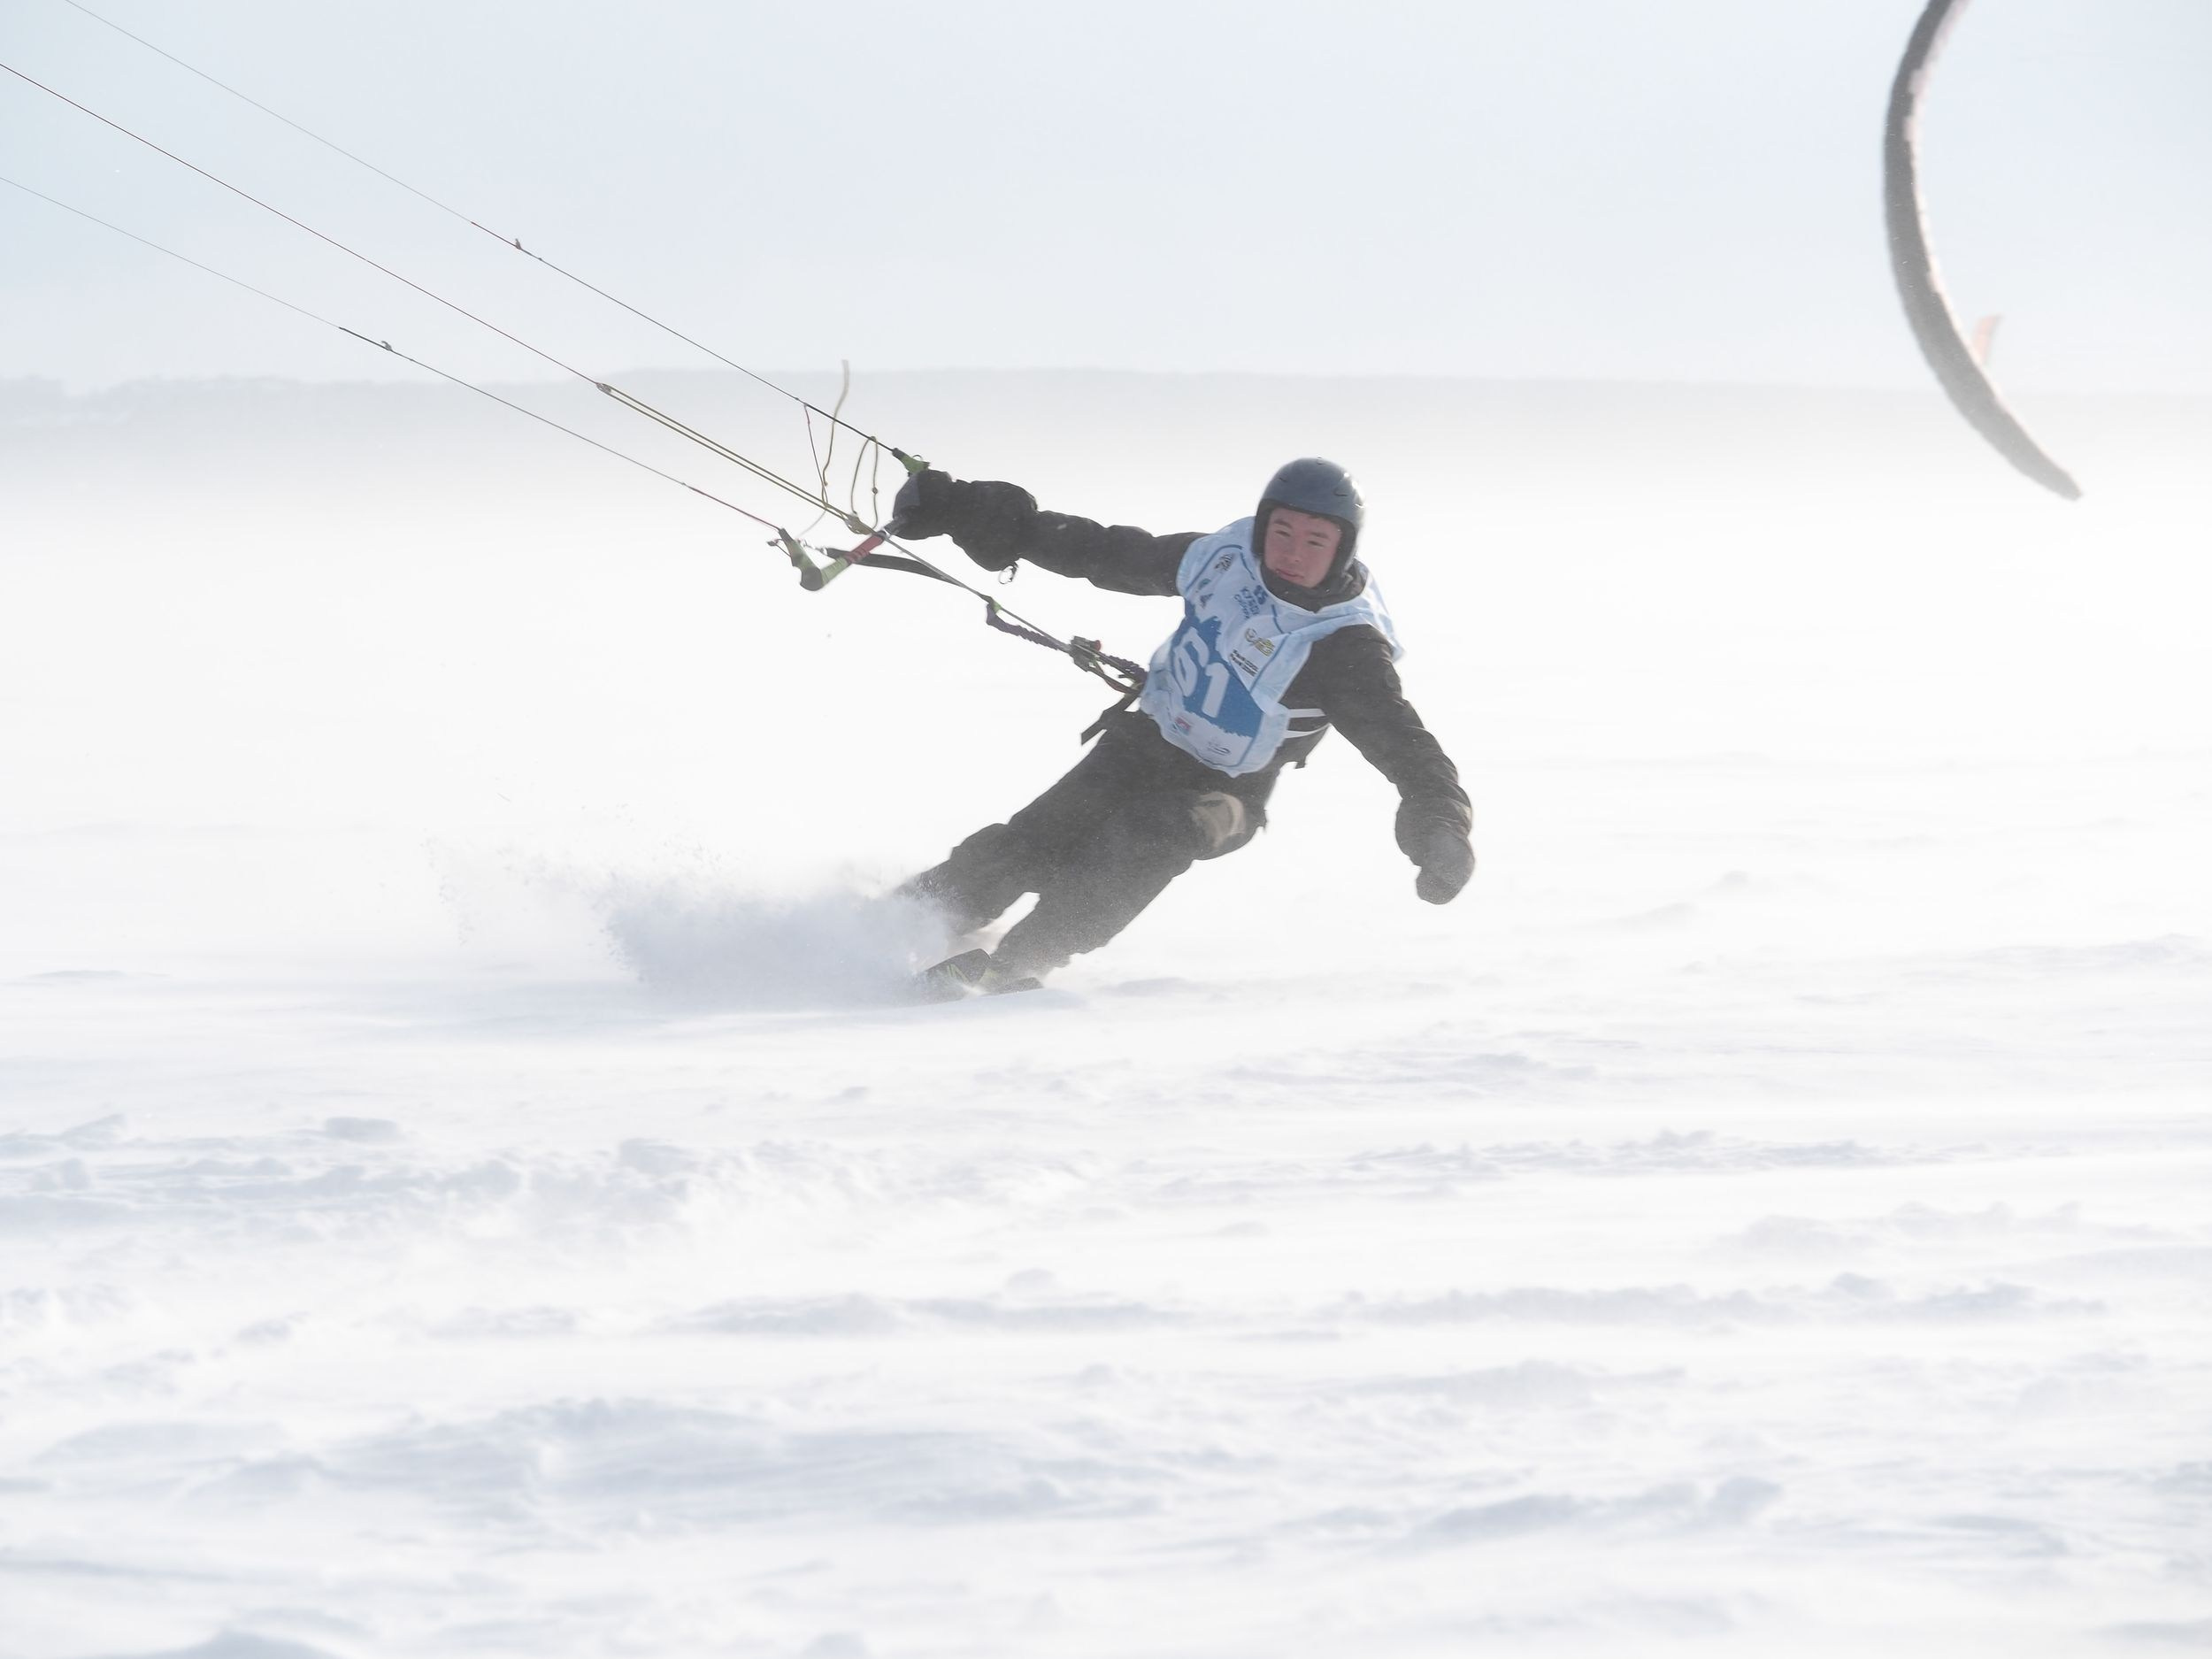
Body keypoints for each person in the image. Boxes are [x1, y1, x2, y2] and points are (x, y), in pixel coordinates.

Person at [889, 457, 1474, 995]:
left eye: (1316, 541)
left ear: (1343, 548)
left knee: (1149, 834)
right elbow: (1105, 552)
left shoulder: (1344, 646)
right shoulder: (1227, 561)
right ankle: (906, 920)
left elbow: (1409, 750)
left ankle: (1019, 962)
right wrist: (970, 512)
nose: (1293, 552)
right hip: (1147, 740)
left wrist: (1442, 828)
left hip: (1229, 791)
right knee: (1037, 838)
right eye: (1282, 532)